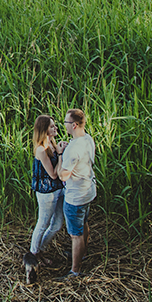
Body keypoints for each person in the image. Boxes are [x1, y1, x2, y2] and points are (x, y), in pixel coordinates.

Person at [58, 107, 96, 278]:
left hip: (75, 196)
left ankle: (75, 269)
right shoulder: (87, 139)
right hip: (88, 189)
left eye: (66, 122)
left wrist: (60, 155)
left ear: (73, 125)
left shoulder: (72, 150)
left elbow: (63, 175)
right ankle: (83, 253)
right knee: (84, 222)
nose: (64, 125)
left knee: (75, 234)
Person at [29, 114, 65, 266]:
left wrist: (58, 150)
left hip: (57, 189)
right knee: (43, 223)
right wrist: (61, 154)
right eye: (52, 126)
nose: (55, 128)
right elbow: (53, 174)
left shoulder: (51, 143)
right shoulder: (41, 150)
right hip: (46, 192)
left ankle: (41, 249)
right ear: (44, 130)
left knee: (57, 224)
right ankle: (34, 254)